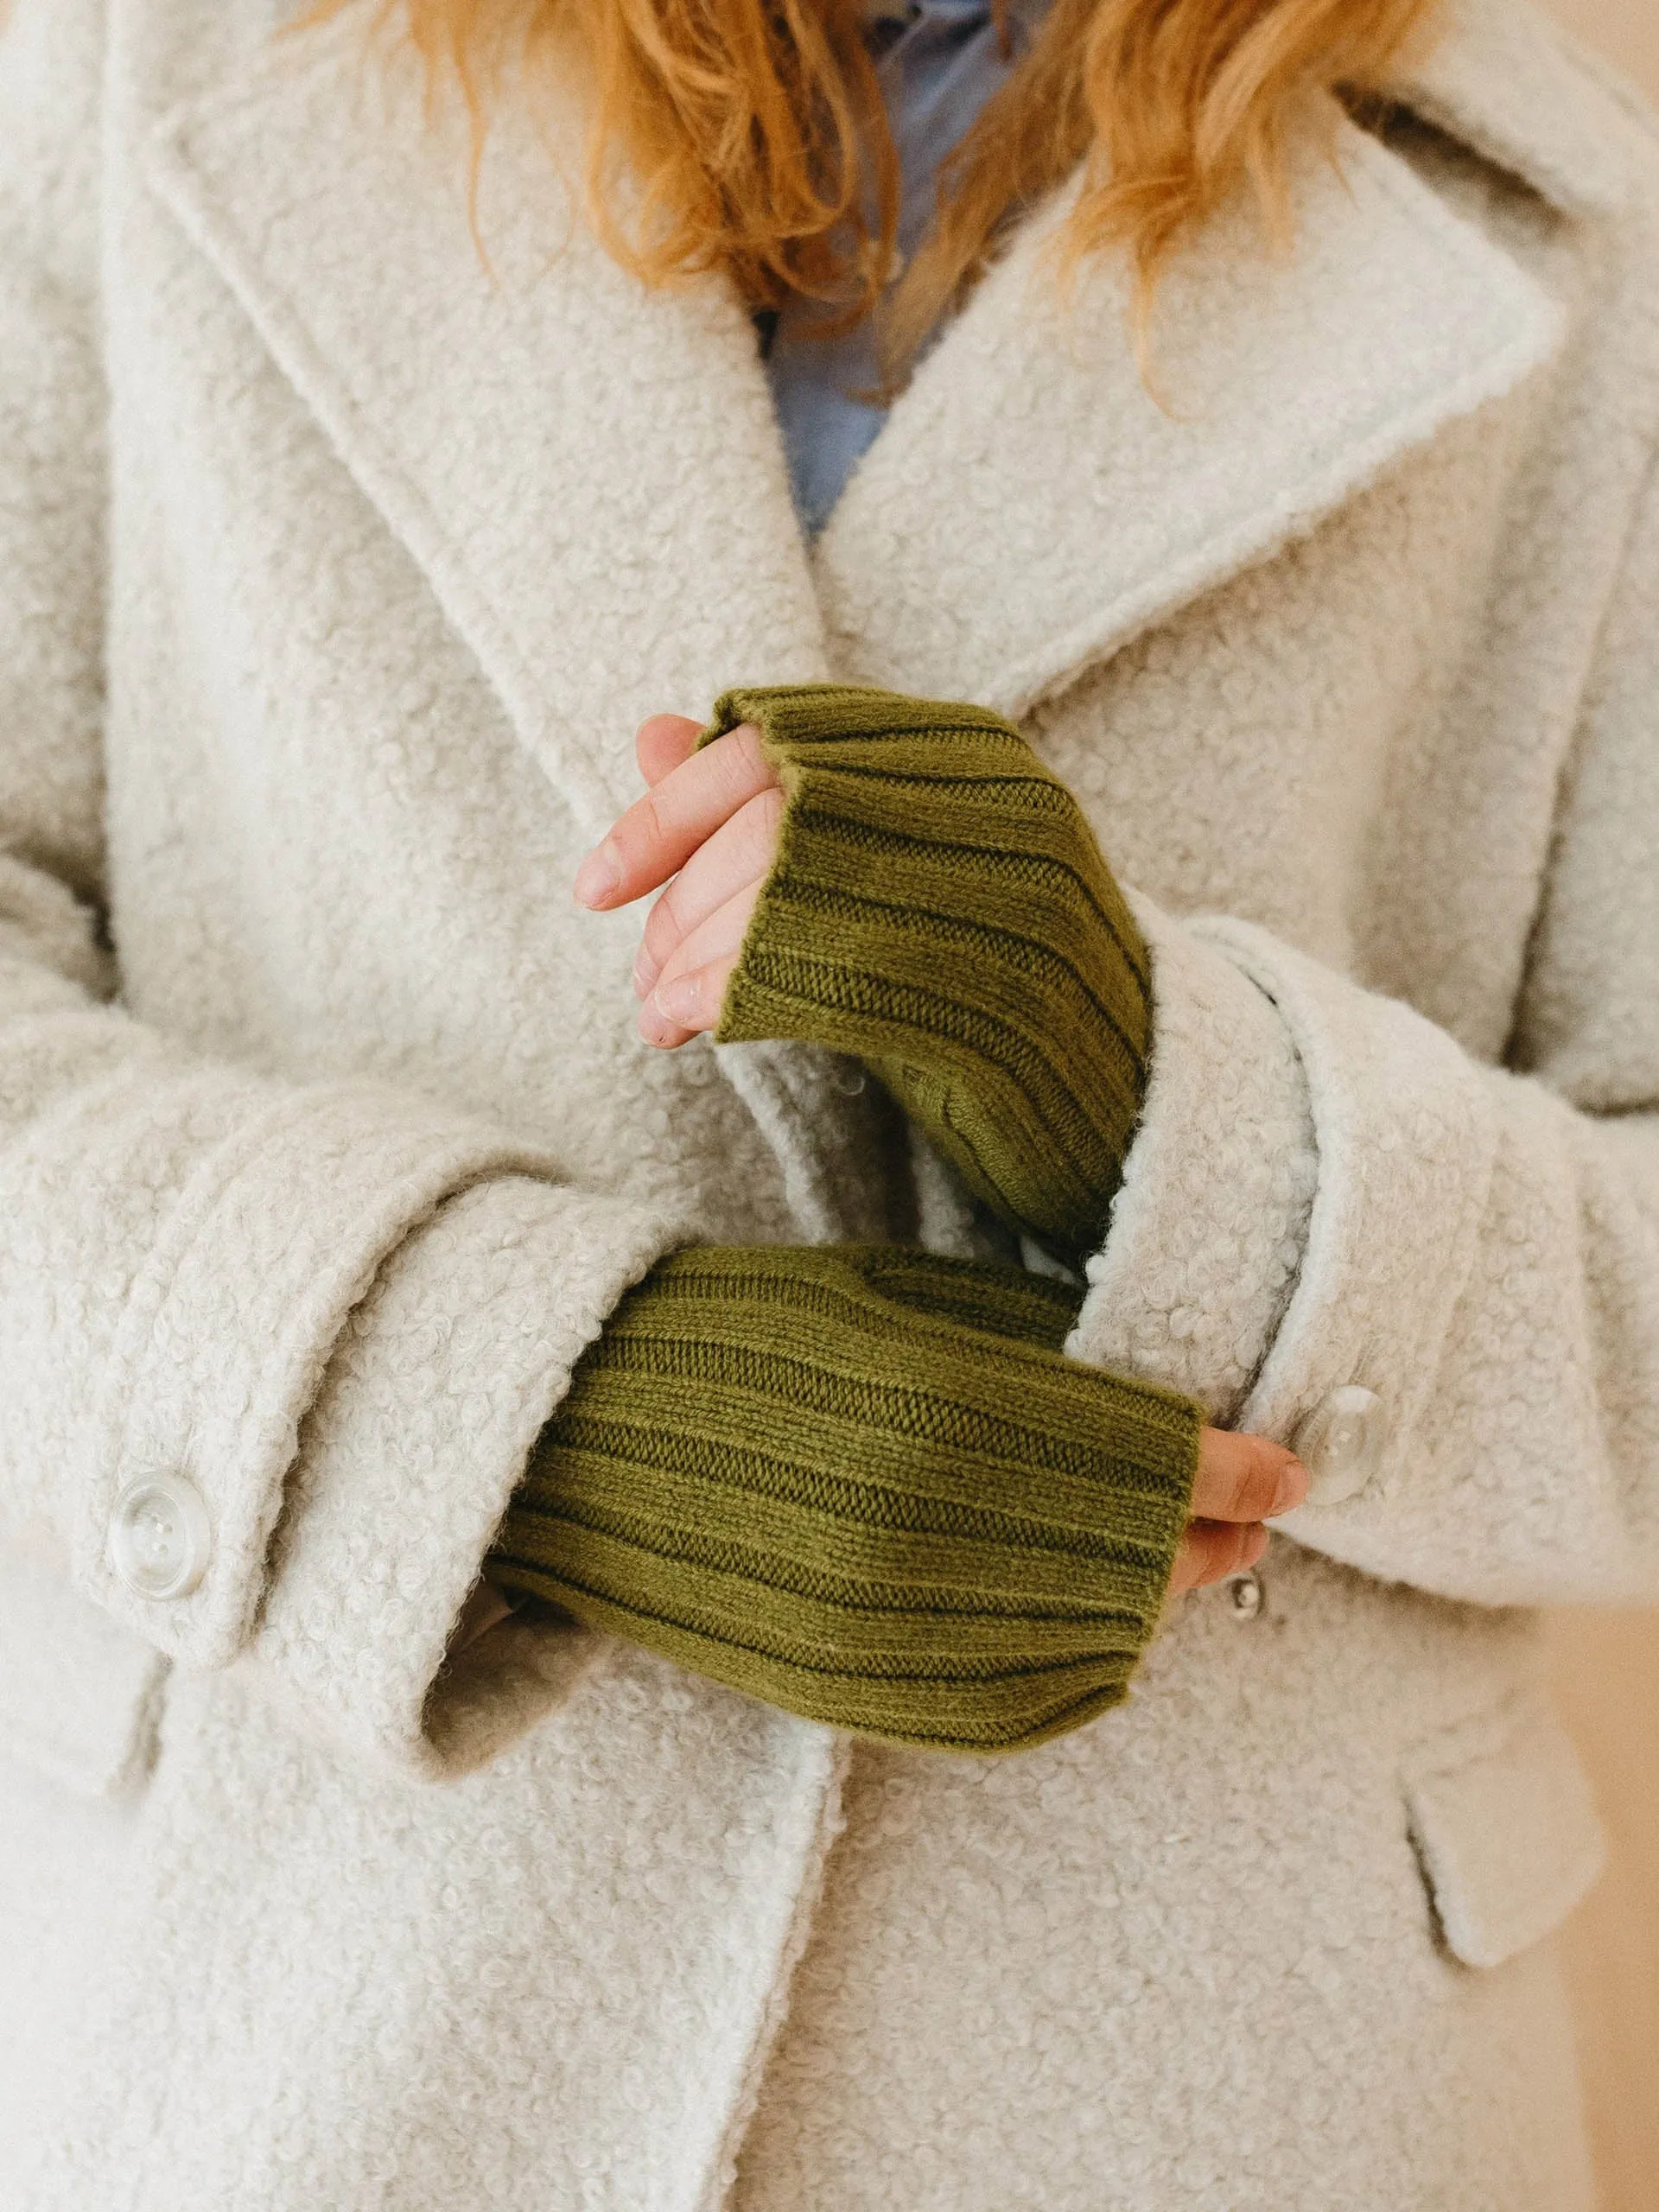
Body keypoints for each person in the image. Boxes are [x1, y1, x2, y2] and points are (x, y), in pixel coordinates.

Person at [0, 0, 1652, 2198]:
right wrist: (526, 1406)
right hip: (318, 2024)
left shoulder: (1578, 195)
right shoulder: (144, 56)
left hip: (1238, 2088)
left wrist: (1149, 1075)